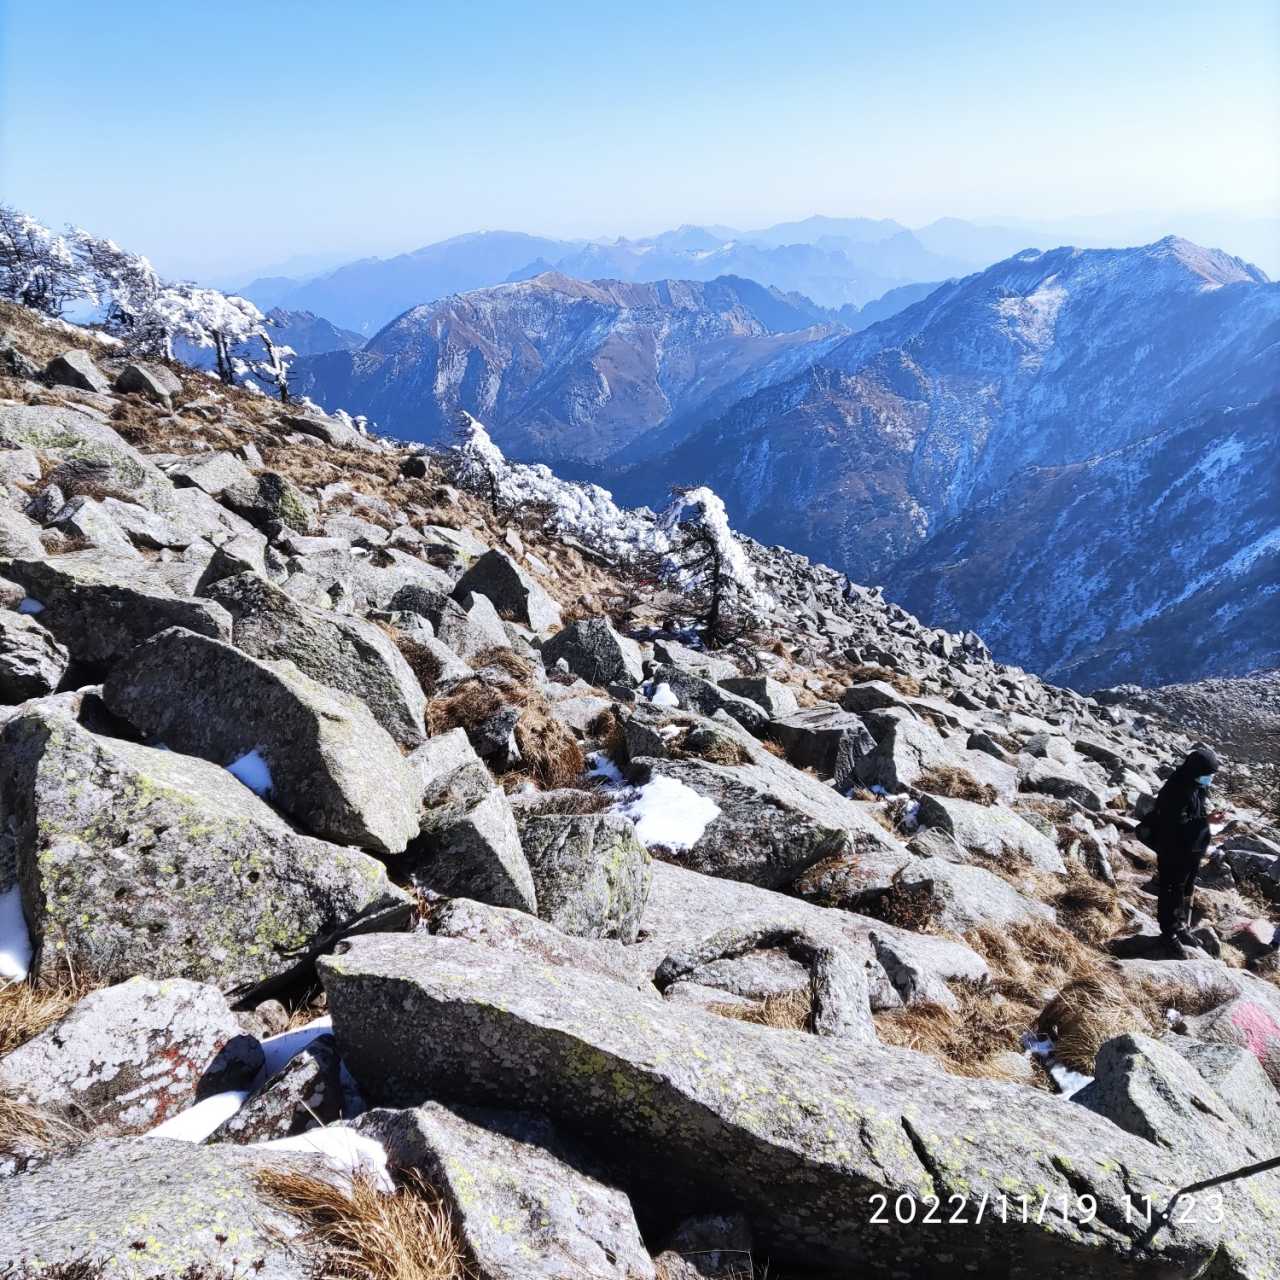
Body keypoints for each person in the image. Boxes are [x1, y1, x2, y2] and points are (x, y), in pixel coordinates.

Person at [1148, 745, 1224, 956]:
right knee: (1171, 888)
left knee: (1185, 888)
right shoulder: (1175, 789)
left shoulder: (1196, 784)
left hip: (1192, 848)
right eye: (1208, 774)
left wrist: (1207, 819)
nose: (1209, 779)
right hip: (1173, 848)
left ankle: (1181, 925)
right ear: (1196, 770)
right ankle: (1168, 932)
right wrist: (1204, 821)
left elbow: (1197, 812)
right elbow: (1174, 824)